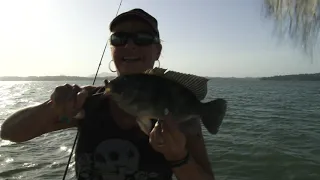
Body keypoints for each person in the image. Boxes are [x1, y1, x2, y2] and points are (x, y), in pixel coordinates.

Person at [1, 8, 216, 180]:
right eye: (119, 38)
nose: (130, 45)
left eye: (142, 38)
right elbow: (9, 132)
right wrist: (53, 107)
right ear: (112, 49)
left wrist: (179, 157)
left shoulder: (185, 121)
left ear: (157, 50)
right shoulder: (86, 103)